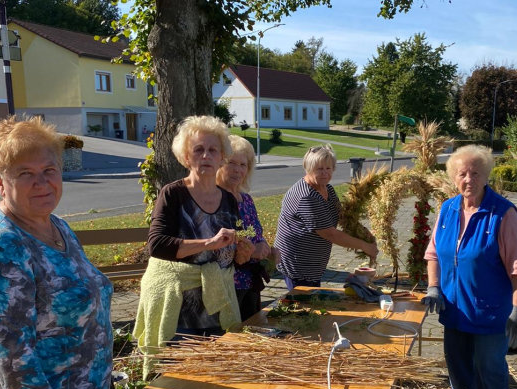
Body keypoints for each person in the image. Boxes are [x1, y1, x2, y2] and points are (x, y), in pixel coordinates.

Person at [0, 116, 113, 389]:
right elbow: (9, 351)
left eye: (49, 170)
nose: (42, 183)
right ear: (0, 182)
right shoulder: (0, 245)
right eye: (26, 174)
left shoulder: (58, 226)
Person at [422, 144, 517, 389]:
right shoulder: (448, 209)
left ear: (486, 176)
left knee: (489, 371)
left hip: (488, 313)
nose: (468, 179)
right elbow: (433, 254)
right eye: (462, 173)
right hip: (453, 309)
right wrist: (433, 287)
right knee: (457, 367)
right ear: (454, 177)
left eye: (475, 173)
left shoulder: (503, 213)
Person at [134, 116, 253, 368]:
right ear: (187, 157)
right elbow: (157, 245)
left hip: (216, 302)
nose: (206, 156)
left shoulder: (229, 200)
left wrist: (239, 253)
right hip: (178, 303)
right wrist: (208, 243)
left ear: (222, 156)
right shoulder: (173, 193)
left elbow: (224, 254)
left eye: (213, 150)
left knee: (215, 372)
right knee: (176, 374)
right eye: (198, 150)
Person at [274, 144, 378, 290]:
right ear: (308, 169)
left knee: (312, 300)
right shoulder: (307, 196)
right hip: (298, 264)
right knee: (303, 305)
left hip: (313, 264)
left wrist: (363, 233)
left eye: (328, 168)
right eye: (319, 169)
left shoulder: (327, 188)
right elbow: (330, 234)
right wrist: (364, 246)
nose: (324, 173)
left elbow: (342, 216)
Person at [217, 135, 277, 321]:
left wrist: (268, 250)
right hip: (226, 284)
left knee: (252, 330)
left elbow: (255, 232)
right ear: (220, 164)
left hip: (250, 282)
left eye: (243, 165)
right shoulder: (215, 198)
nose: (237, 170)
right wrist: (252, 251)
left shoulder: (247, 199)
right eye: (231, 163)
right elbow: (217, 243)